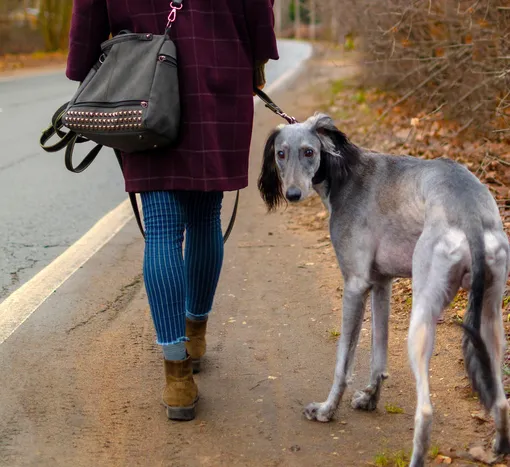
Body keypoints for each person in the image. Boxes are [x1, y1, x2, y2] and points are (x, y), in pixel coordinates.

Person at [66, 0, 279, 421]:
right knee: (205, 215)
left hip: (142, 82)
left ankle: (177, 376)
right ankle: (195, 336)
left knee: (162, 226)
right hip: (220, 75)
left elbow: (88, 10)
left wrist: (84, 62)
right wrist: (255, 57)